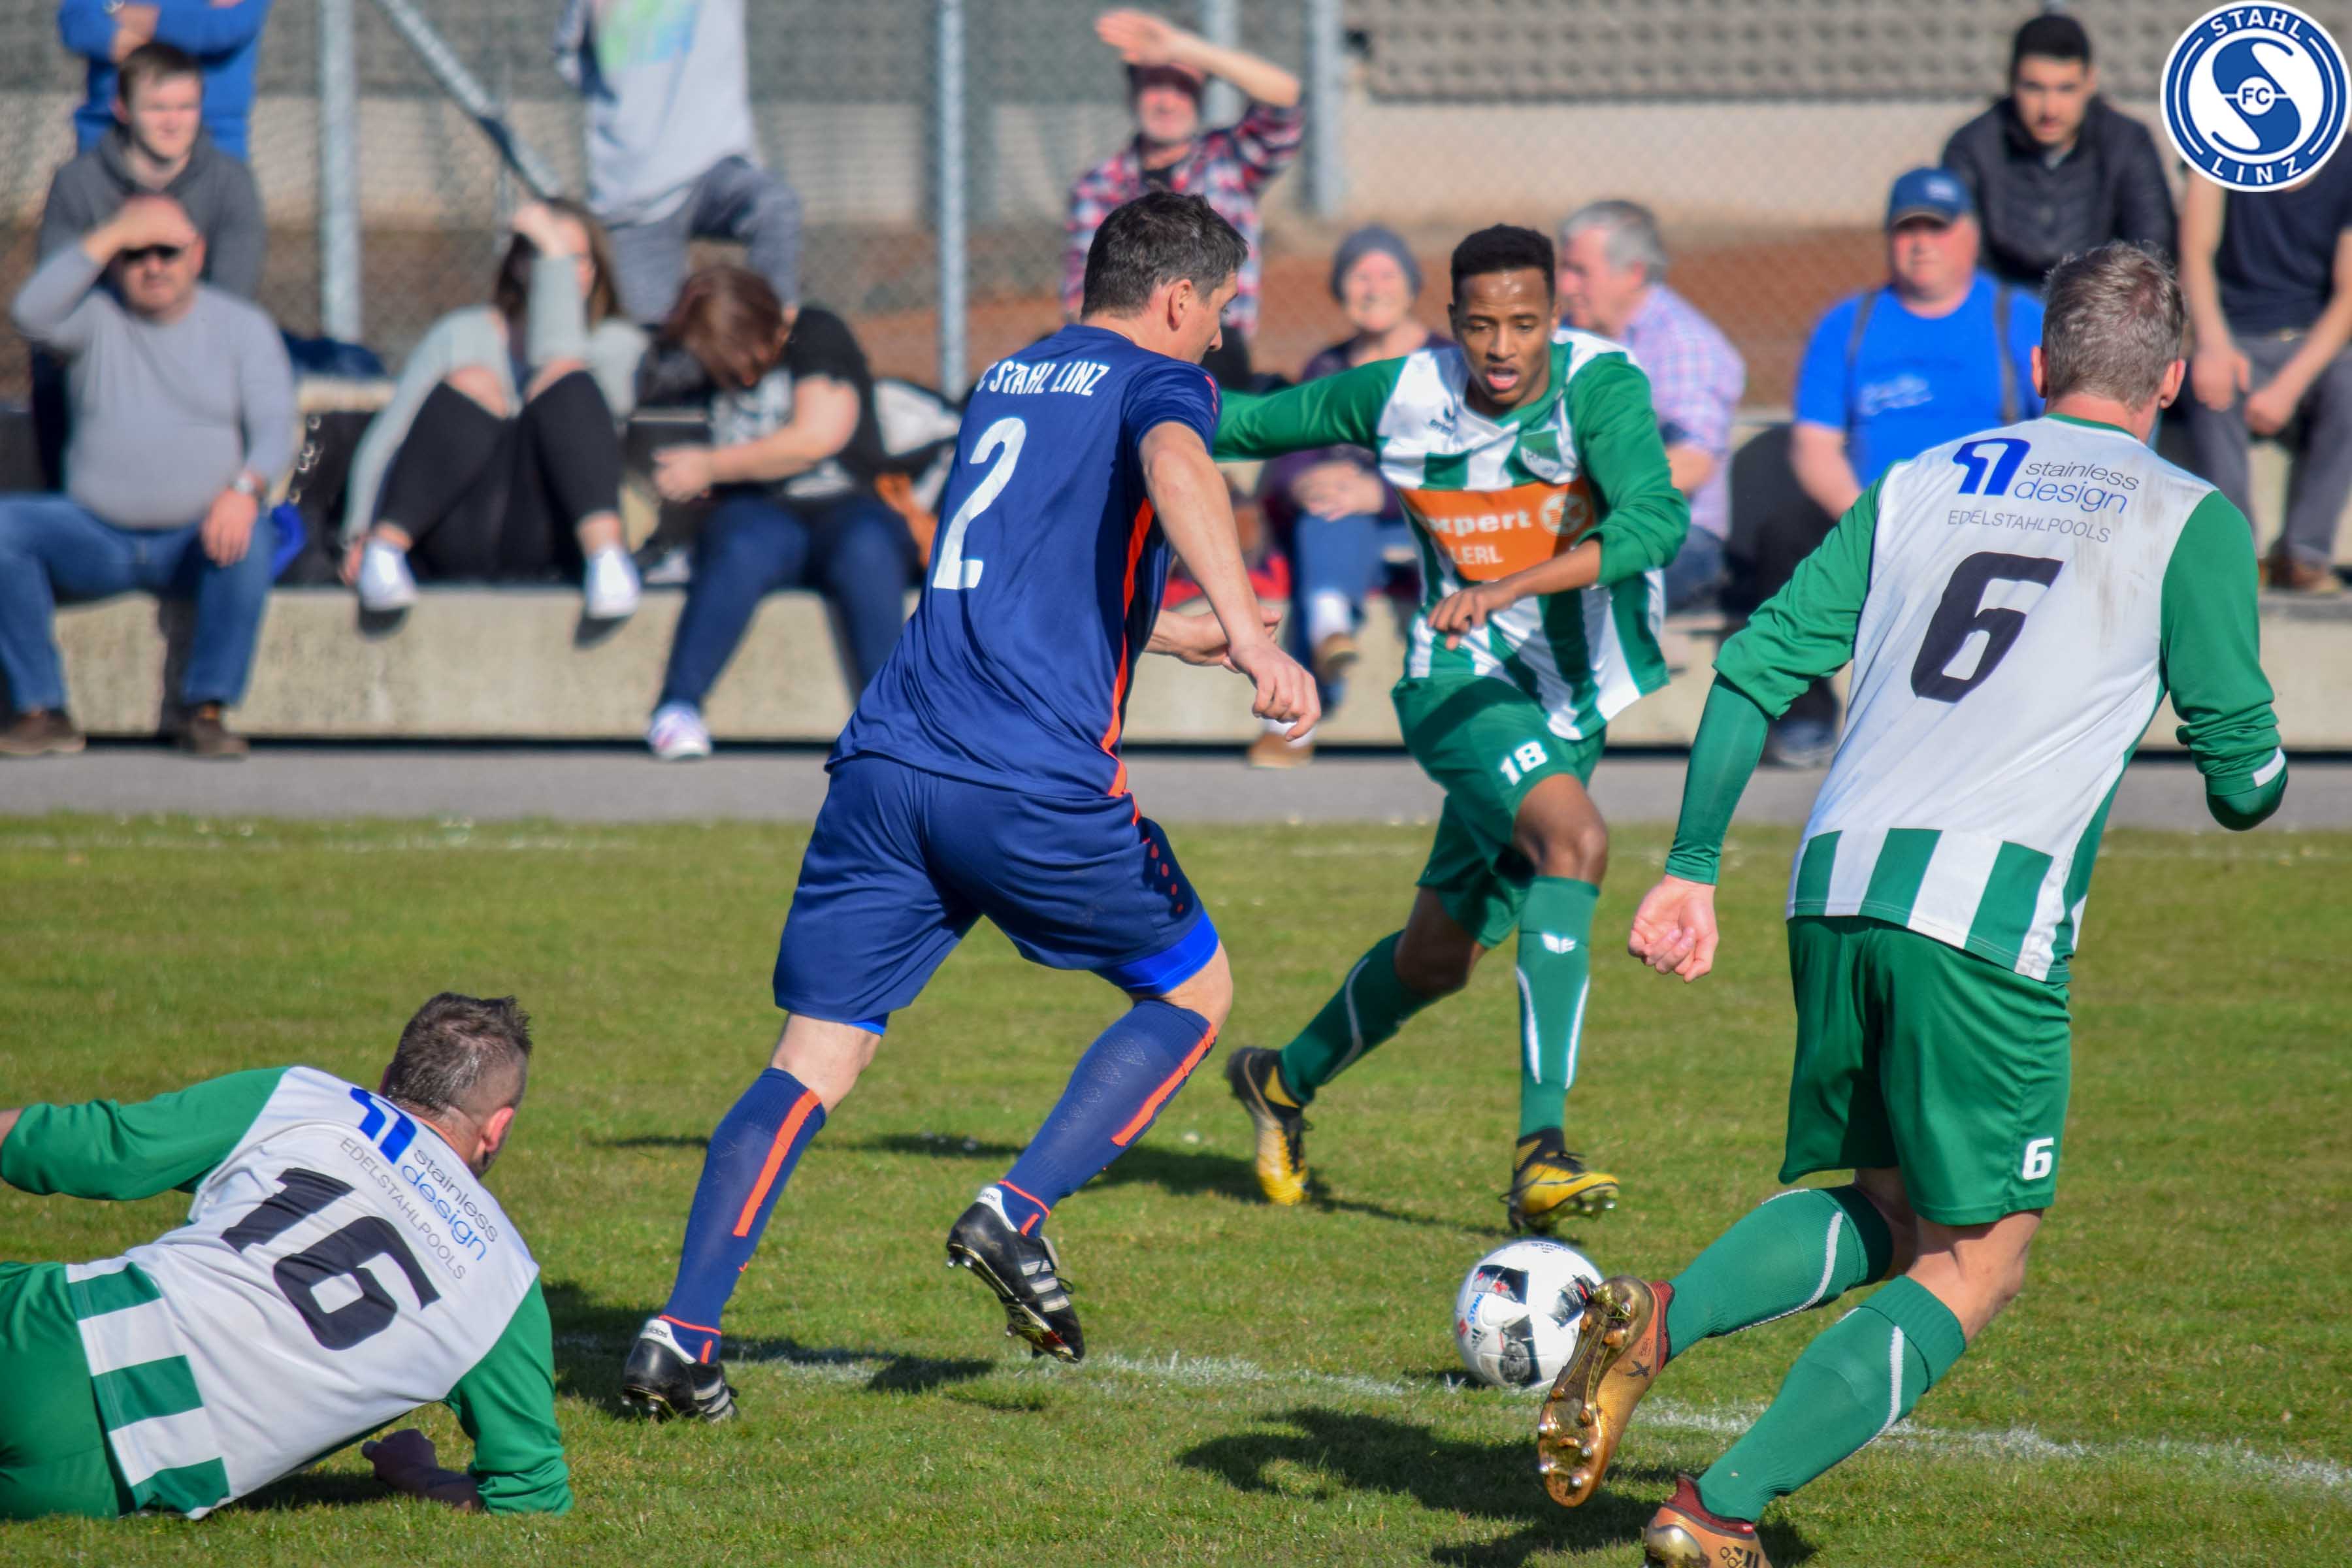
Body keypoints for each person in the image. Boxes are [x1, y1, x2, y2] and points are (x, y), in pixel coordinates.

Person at [1538, 245, 2285, 1567]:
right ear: (2172, 380)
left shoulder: (1922, 477)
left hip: (1835, 881)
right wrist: (2254, 754)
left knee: (1889, 1207)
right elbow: (2242, 787)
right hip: (1983, 920)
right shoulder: (2191, 517)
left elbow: (1755, 667)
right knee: (1978, 1260)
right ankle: (1718, 1510)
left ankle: (1657, 1315)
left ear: (2037, 365)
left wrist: (1693, 865)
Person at [615, 193, 1317, 1418]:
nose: (1218, 336)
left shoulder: (1009, 377)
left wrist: (1167, 631)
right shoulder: (1163, 381)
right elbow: (1175, 467)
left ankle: (680, 1336)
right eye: (1216, 310)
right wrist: (1255, 636)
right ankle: (1015, 1211)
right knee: (1194, 992)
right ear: (1176, 301)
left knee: (811, 1060)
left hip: (888, 764)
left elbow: (1010, 573)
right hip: (1029, 781)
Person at [1215, 225, 1690, 1231]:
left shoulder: (1601, 386)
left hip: (1571, 700)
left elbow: (1655, 522)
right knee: (1577, 841)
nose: (1503, 347)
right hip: (1457, 680)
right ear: (1453, 325)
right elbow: (1247, 425)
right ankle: (1541, 1152)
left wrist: (1514, 583)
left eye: (1525, 323)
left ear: (1555, 319)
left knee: (1439, 958)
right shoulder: (1405, 392)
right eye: (1481, 326)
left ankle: (1279, 1081)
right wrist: (1115, 383)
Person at [0, 993, 570, 1520]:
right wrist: (413, 1471)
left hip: (53, 1330)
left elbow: (99, 1150)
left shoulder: (306, 1096)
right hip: (120, 1475)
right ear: (498, 1127)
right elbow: (532, 1498)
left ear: (387, 1080)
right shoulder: (507, 1283)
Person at [0, 195, 292, 760]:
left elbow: (275, 429)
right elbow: (29, 313)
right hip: (96, 536)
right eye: (135, 254)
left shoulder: (243, 327)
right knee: (5, 527)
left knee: (253, 535)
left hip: (196, 539)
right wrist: (112, 233)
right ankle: (41, 711)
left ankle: (206, 711)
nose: (153, 266)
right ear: (115, 261)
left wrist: (245, 489)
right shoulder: (92, 319)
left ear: (198, 254)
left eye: (167, 251)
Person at [1776, 167, 2044, 765]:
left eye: (1937, 228)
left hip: (1993, 516)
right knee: (1785, 535)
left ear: (1971, 235)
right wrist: (1874, 522)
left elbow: (2061, 429)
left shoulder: (2018, 318)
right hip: (1878, 518)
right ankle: (1806, 717)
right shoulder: (1849, 324)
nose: (1921, 243)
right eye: (1907, 230)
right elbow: (1814, 447)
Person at [641, 265, 906, 762]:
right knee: (742, 546)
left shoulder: (815, 332)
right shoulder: (690, 362)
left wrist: (709, 466)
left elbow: (815, 439)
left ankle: (892, 723)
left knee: (867, 547)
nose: (738, 373)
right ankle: (678, 707)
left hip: (846, 505)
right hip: (759, 512)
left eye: (740, 355)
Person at [339, 199, 647, 619]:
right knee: (474, 380)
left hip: (552, 532)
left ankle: (608, 564)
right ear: (519, 266)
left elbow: (556, 356)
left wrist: (552, 257)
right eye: (547, 255)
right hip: (458, 526)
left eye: (576, 259)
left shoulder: (618, 345)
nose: (565, 271)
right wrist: (359, 529)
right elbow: (390, 437)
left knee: (565, 376)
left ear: (595, 271)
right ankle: (385, 553)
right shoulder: (461, 332)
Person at [1248, 225, 1444, 769]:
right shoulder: (1327, 366)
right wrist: (1304, 483)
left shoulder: (1445, 362)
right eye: (1360, 277)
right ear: (1340, 290)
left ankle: (1291, 714)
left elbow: (1465, 464)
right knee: (1324, 514)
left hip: (1428, 522)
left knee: (1338, 514)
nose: (1374, 288)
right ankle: (1330, 633)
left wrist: (1380, 492)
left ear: (1411, 286)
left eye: (1387, 274)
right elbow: (1292, 452)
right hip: (1345, 527)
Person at [1062, 8, 1303, 389]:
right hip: (1129, 349)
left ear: (1202, 94)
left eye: (1182, 87)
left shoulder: (1231, 160)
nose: (1167, 102)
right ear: (1132, 93)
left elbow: (1285, 97)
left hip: (1215, 348)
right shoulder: (1098, 186)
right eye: (1154, 85)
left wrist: (1182, 48)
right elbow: (1082, 299)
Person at [552, 0, 802, 325]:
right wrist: (628, 105)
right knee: (649, 338)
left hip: (714, 163)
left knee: (774, 205)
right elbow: (571, 55)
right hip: (632, 191)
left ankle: (775, 334)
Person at [1556, 200, 1745, 612]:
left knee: (1569, 595)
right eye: (1564, 268)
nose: (1565, 285)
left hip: (1677, 536)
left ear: (1634, 273)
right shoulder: (1566, 337)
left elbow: (1693, 462)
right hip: (1571, 520)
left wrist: (1582, 493)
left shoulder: (1684, 344)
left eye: (1580, 271)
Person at [2179, 161, 2352, 595]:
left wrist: (2288, 387)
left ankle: (2304, 556)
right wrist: (2212, 344)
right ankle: (2235, 554)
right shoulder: (2220, 150)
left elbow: (2349, 295)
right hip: (2234, 336)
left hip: (2312, 346)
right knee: (2210, 386)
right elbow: (2195, 252)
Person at [1939, 12, 2175, 293]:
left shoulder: (2127, 143)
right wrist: (2008, 310)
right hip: (1998, 307)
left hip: (2100, 304)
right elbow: (1956, 253)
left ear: (2090, 82)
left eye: (2066, 89)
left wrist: (2098, 306)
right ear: (2011, 82)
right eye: (2034, 88)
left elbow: (2152, 250)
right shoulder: (1973, 146)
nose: (2050, 110)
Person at [39, 42, 263, 300]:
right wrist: (118, 233)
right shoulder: (77, 182)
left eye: (186, 107)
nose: (173, 123)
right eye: (157, 108)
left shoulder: (231, 182)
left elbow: (233, 297)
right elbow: (52, 293)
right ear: (122, 109)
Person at [57, 0, 272, 161]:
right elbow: (78, 24)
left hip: (211, 137)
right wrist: (180, 37)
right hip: (108, 132)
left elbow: (222, 27)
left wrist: (118, 11)